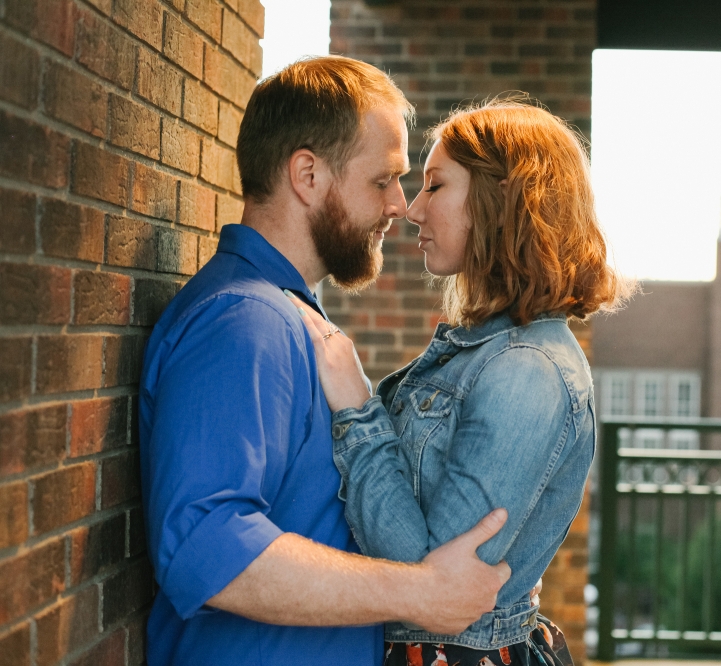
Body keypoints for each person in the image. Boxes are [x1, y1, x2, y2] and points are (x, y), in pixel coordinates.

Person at [138, 56, 512, 666]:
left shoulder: (285, 314)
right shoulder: (245, 322)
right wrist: (423, 592)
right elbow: (204, 544)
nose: (399, 205)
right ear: (307, 175)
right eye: (382, 180)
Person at [288, 99, 632, 665]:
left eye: (435, 186)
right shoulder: (485, 350)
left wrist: (355, 402)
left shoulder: (528, 372)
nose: (413, 210)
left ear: (500, 200)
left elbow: (429, 581)